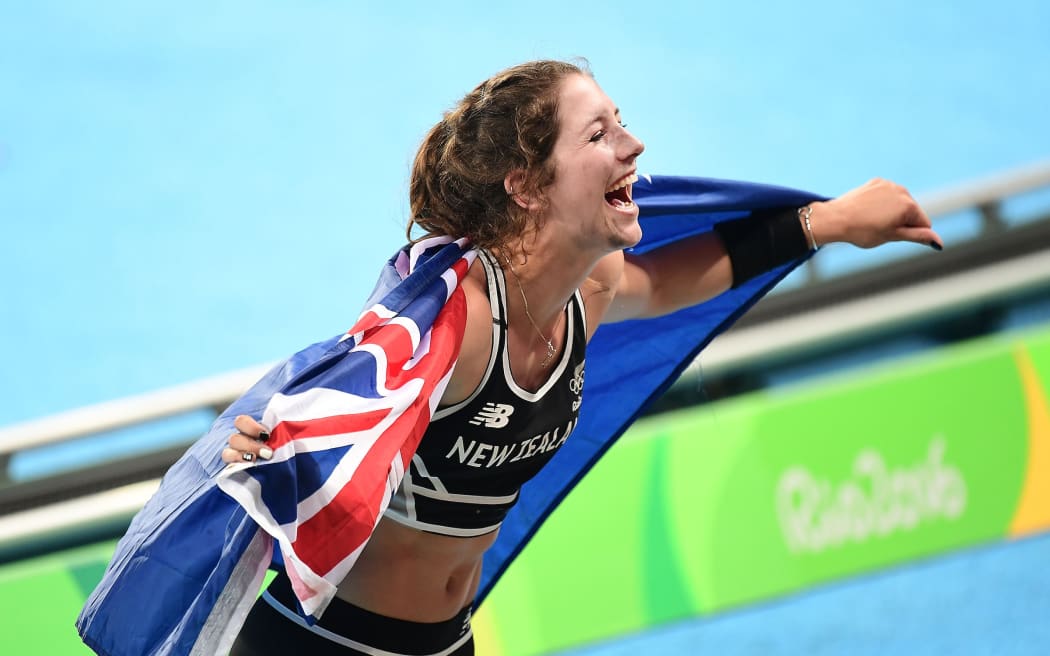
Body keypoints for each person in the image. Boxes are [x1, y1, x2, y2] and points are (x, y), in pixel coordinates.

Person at [216, 60, 942, 655]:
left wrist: (830, 222)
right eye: (600, 134)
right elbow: (346, 389)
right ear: (528, 187)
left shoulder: (587, 288)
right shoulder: (456, 319)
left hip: (444, 643)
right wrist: (276, 437)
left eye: (622, 123)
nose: (634, 147)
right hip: (317, 644)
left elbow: (664, 284)